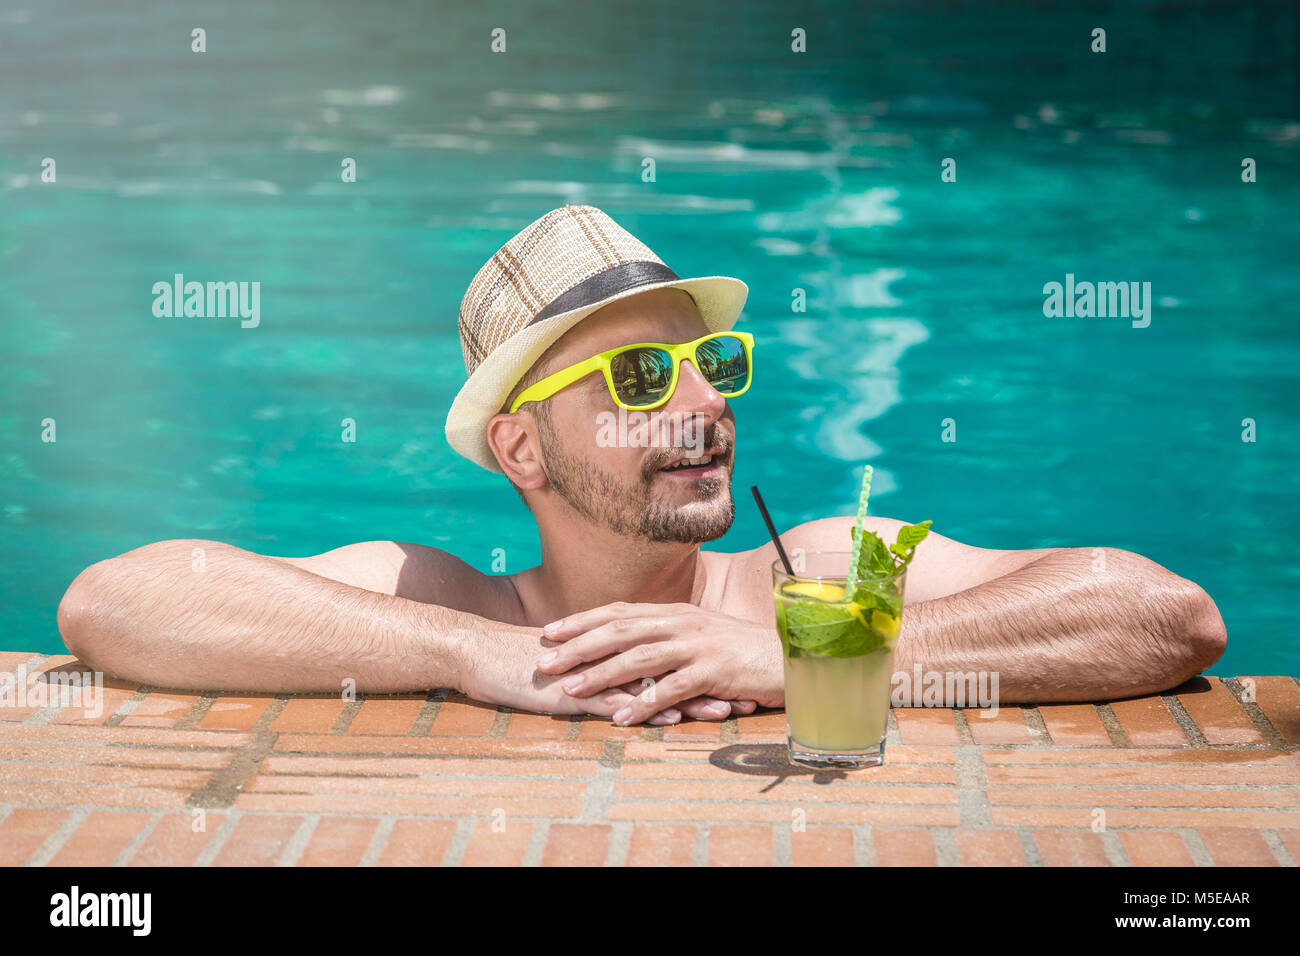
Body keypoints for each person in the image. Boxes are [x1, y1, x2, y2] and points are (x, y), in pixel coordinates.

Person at [57, 205, 1227, 726]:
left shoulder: (810, 576)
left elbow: (1165, 612)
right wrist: (477, 657)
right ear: (520, 445)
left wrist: (803, 660)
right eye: (638, 377)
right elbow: (115, 599)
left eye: (707, 361)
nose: (704, 400)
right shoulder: (445, 597)